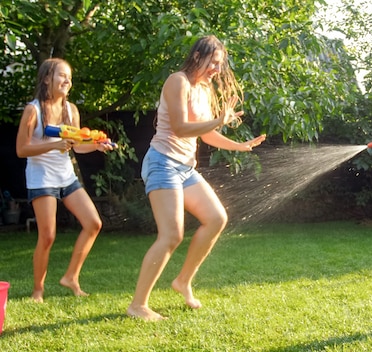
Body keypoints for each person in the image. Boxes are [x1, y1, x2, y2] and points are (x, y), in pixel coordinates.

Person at [127, 35, 266, 321]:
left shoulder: (205, 89)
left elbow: (206, 133)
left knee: (216, 218)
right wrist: (218, 120)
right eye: (213, 62)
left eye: (220, 64)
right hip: (162, 163)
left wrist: (239, 146)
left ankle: (183, 281)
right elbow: (179, 127)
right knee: (171, 235)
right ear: (197, 56)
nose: (217, 68)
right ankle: (138, 305)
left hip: (185, 168)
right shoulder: (177, 81)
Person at [16, 58, 116, 303]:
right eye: (62, 75)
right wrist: (54, 143)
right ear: (47, 78)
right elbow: (21, 149)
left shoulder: (71, 110)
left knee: (93, 223)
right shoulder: (34, 110)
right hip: (41, 177)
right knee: (48, 236)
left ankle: (71, 276)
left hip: (66, 176)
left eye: (69, 76)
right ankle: (38, 290)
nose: (67, 81)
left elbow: (77, 148)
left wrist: (96, 145)